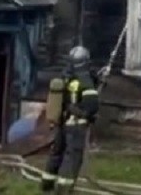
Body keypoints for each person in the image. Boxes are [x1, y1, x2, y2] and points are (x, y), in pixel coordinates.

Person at [41, 45, 100, 192]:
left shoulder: (66, 76)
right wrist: (89, 115)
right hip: (77, 124)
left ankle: (47, 185)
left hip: (63, 122)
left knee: (57, 153)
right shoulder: (84, 78)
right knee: (72, 157)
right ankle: (64, 189)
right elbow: (92, 104)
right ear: (86, 61)